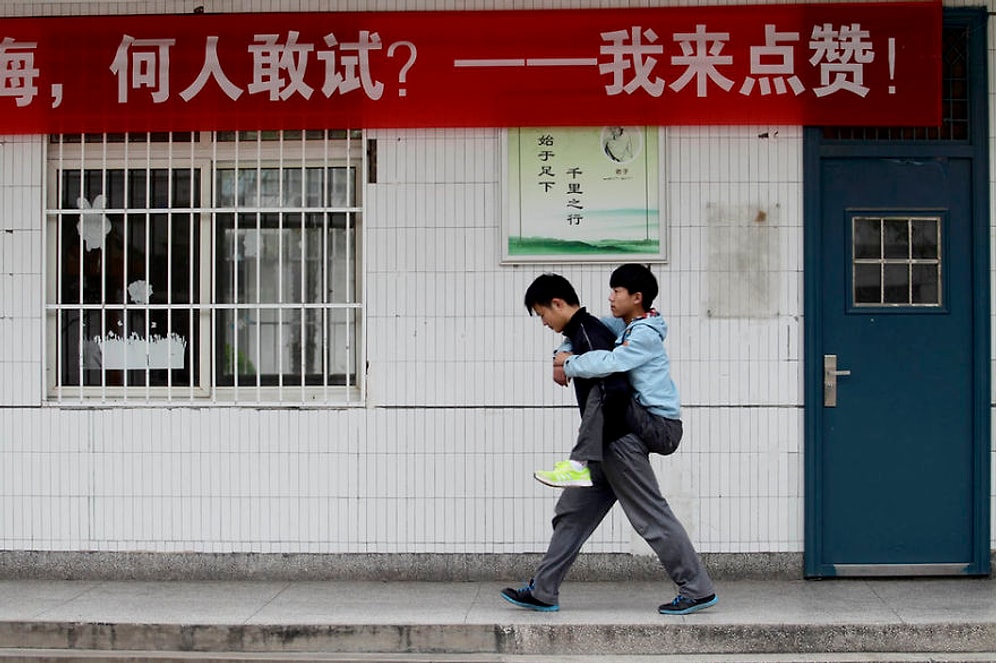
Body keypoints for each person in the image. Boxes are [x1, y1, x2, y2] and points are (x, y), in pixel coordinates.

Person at [501, 269, 717, 616]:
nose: (610, 297)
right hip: (612, 438)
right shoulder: (618, 326)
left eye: (617, 290)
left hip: (628, 435)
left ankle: (697, 588)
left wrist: (568, 363)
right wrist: (562, 351)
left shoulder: (638, 334)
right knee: (571, 515)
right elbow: (585, 327)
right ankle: (543, 591)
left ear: (637, 297)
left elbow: (612, 373)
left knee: (651, 516)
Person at [525, 273, 632, 489]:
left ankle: (577, 464)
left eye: (542, 314)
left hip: (617, 442)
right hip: (601, 443)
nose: (544, 322)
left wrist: (592, 428)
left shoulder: (588, 333)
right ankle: (577, 466)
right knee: (569, 517)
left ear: (557, 303)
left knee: (650, 514)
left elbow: (612, 387)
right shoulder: (578, 334)